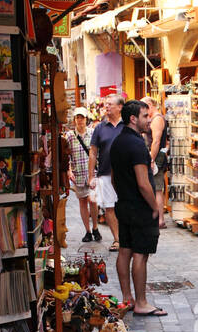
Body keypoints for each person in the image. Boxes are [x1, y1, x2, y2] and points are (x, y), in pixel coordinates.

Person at [110, 99, 166, 317]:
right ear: (133, 119)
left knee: (125, 250)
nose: (149, 119)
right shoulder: (136, 145)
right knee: (140, 255)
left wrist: (124, 196)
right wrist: (155, 208)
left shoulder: (118, 142)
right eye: (145, 116)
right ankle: (141, 302)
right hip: (140, 208)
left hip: (124, 205)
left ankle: (127, 298)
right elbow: (144, 183)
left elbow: (114, 179)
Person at [87, 93, 125, 251]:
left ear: (120, 107)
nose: (106, 107)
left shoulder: (127, 126)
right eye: (106, 104)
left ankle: (126, 237)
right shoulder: (100, 128)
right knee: (109, 208)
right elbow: (93, 152)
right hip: (106, 173)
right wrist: (91, 176)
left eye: (110, 104)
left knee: (125, 206)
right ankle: (117, 239)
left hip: (125, 174)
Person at [63, 107, 100, 243]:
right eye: (77, 118)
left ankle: (95, 227)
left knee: (93, 200)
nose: (80, 120)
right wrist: (69, 170)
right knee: (83, 201)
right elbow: (66, 155)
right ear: (74, 120)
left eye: (82, 118)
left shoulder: (93, 133)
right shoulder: (70, 136)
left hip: (92, 173)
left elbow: (98, 152)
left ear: (86, 119)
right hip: (78, 172)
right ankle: (88, 231)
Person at [146, 97, 170, 230]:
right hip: (155, 156)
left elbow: (156, 141)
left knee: (157, 188)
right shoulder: (155, 119)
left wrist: (152, 158)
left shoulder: (157, 119)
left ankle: (160, 219)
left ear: (150, 105)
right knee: (155, 187)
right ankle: (157, 217)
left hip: (156, 157)